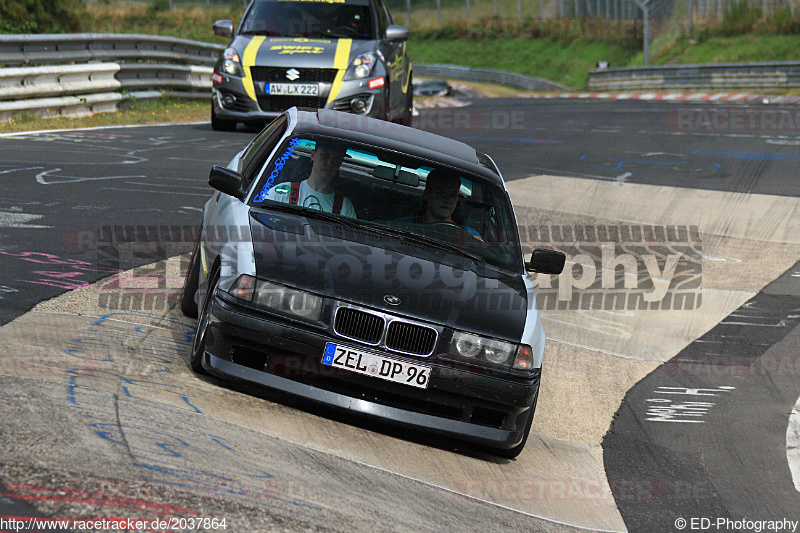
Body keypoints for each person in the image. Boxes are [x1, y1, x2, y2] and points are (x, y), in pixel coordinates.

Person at [264, 139, 357, 218]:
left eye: (337, 159)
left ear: (341, 162)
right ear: (313, 155)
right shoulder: (282, 192)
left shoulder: (344, 206)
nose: (330, 162)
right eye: (325, 155)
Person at [398, 169, 482, 240]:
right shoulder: (404, 226)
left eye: (453, 194)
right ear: (427, 194)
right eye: (441, 192)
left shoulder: (470, 235)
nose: (448, 199)